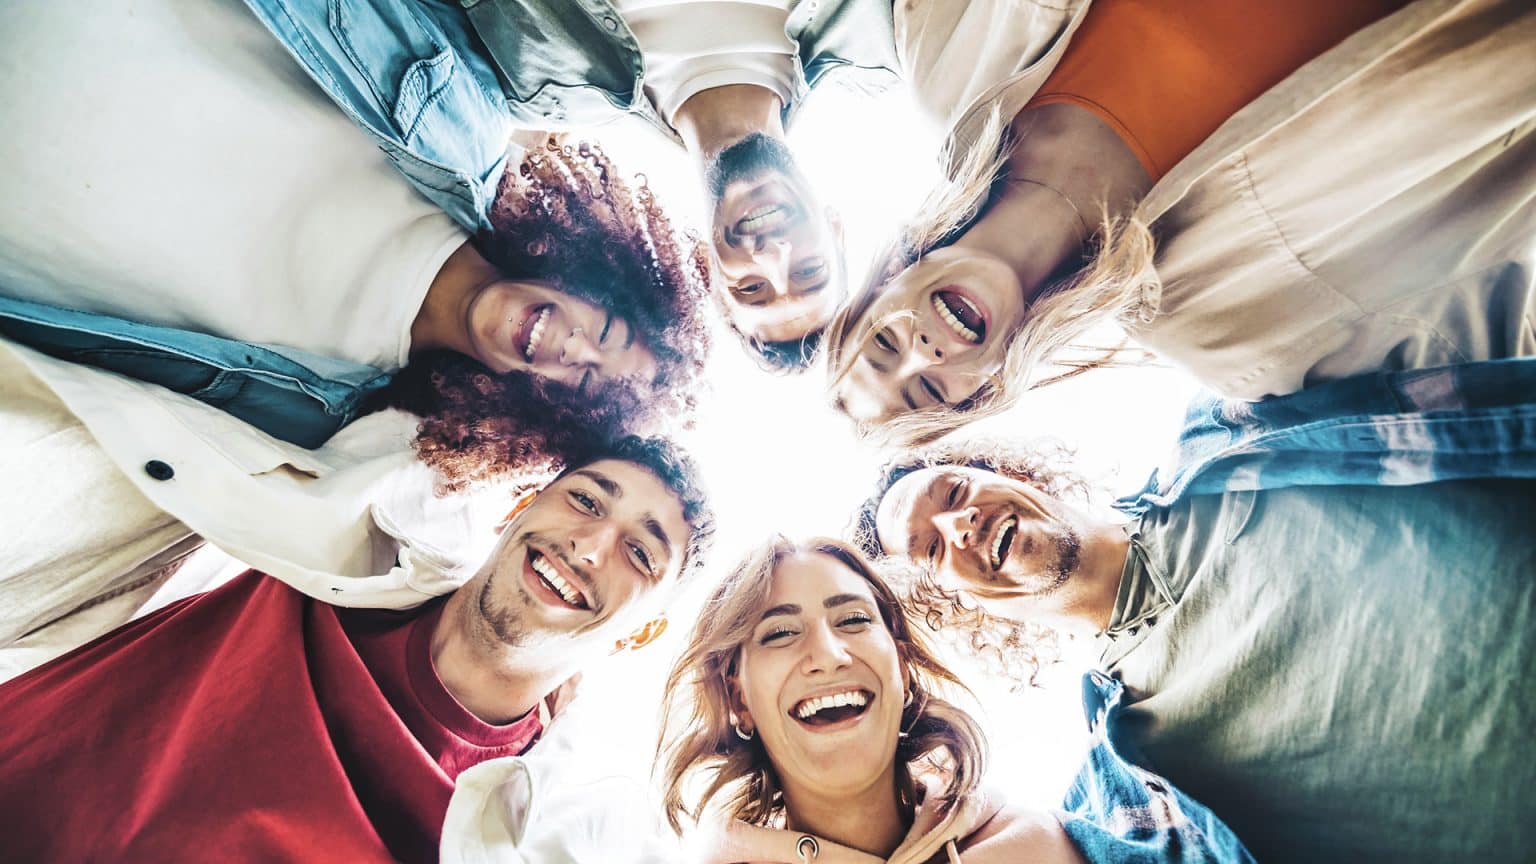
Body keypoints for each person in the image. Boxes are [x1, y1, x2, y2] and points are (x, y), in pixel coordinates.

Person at [824, 0, 1536, 442]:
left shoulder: (946, 55)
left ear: (889, 279)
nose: (923, 352)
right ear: (985, 388)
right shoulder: (1234, 335)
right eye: (925, 390)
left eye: (885, 344)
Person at [854, 406, 1536, 861]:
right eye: (931, 551)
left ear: (1001, 470)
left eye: (951, 493)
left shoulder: (1234, 442)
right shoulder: (1129, 772)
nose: (960, 526)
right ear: (958, 605)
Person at [0, 435, 715, 861]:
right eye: (586, 500)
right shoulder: (343, 554)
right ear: (518, 504)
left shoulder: (523, 826)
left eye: (640, 554)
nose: (588, 547)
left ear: (643, 632)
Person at [656, 536, 1251, 863]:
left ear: (903, 668)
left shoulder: (1043, 843)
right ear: (738, 699)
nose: (829, 654)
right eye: (780, 633)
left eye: (854, 619)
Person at [456, 0, 901, 369]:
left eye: (750, 288)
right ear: (835, 229)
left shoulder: (538, 91)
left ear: (708, 271)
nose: (771, 254)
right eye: (810, 271)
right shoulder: (880, 34)